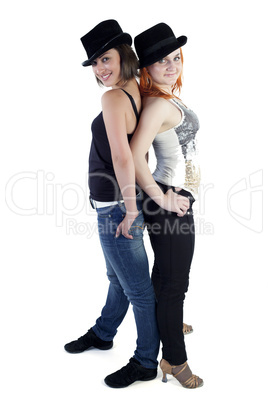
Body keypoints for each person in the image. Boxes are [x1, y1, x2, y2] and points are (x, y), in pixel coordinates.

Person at [63, 19, 165, 389]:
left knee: (138, 290)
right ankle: (104, 332)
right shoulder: (137, 90)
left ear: (124, 54)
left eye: (105, 58)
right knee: (117, 279)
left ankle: (144, 362)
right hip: (117, 202)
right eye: (94, 63)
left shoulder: (112, 97)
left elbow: (123, 158)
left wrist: (131, 211)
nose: (100, 69)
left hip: (118, 206)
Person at [130, 23, 204, 388]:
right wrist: (161, 199)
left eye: (175, 58)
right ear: (146, 68)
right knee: (176, 283)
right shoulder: (157, 104)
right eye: (161, 61)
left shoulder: (165, 95)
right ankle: (174, 359)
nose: (172, 65)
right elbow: (133, 155)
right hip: (168, 200)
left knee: (169, 275)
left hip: (176, 197)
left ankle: (169, 321)